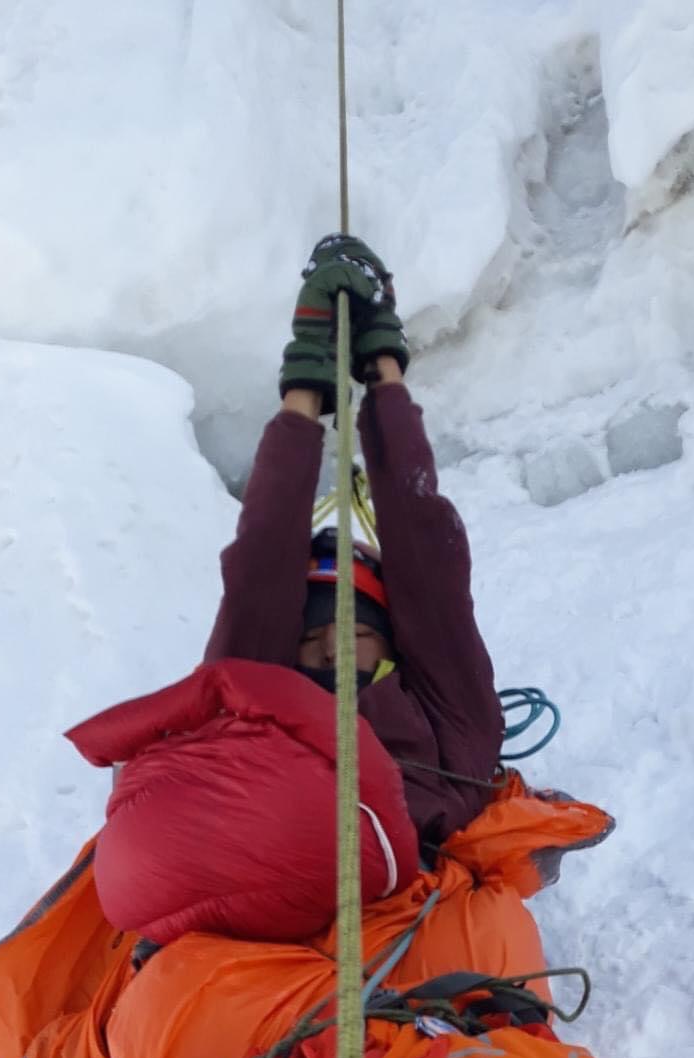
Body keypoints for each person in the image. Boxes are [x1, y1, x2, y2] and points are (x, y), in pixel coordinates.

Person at [206, 233, 505, 861]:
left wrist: (384, 377)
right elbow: (260, 568)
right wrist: (304, 391)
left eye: (357, 629)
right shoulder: (254, 716)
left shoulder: (452, 719)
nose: (330, 645)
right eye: (309, 637)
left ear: (397, 641)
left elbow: (427, 554)